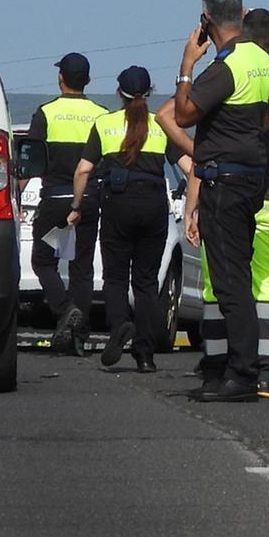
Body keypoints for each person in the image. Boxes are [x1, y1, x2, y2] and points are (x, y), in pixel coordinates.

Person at [163, 0, 269, 402]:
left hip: (224, 181)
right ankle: (239, 370)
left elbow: (182, 114)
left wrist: (187, 64)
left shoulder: (224, 69)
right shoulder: (260, 58)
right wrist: (255, 126)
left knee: (229, 285)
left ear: (207, 20)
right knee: (238, 279)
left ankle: (240, 375)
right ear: (241, 15)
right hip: (252, 180)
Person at [68, 66, 188, 373]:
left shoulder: (105, 124)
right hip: (153, 205)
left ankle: (120, 325)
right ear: (149, 93)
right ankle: (145, 355)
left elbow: (83, 170)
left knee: (116, 277)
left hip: (117, 204)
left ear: (119, 93)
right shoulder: (162, 125)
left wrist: (77, 205)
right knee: (147, 282)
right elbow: (190, 166)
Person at [23, 52, 107, 354]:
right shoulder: (101, 114)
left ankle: (65, 309)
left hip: (56, 201)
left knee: (44, 260)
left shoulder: (46, 112)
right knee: (81, 266)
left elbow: (29, 159)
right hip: (88, 200)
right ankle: (78, 336)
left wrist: (17, 193)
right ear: (87, 81)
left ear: (61, 79)